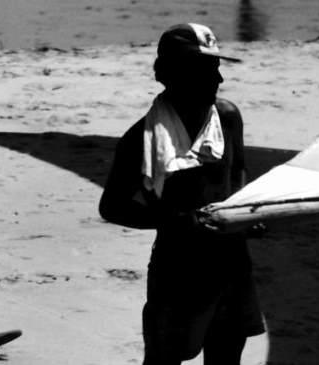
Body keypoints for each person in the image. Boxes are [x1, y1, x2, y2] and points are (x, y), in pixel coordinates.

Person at [99, 23, 264, 365]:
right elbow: (112, 207)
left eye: (217, 69)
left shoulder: (228, 118)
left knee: (227, 355)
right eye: (205, 70)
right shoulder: (140, 140)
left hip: (232, 264)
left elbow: (237, 174)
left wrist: (248, 213)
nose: (218, 80)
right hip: (179, 271)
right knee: (164, 357)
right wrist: (178, 222)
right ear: (171, 75)